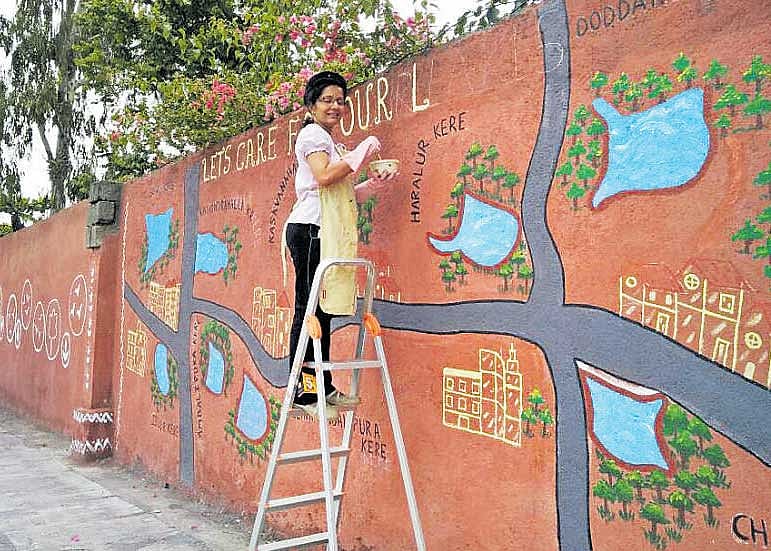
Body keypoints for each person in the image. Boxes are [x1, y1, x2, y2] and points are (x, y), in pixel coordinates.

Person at [283, 70, 394, 418]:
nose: (335, 106)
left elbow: (339, 191)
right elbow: (325, 176)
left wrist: (372, 183)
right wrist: (361, 151)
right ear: (311, 105)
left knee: (323, 311)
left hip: (322, 230)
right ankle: (303, 393)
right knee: (308, 311)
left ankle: (323, 388)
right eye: (327, 100)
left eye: (340, 101)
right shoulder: (311, 135)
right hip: (310, 230)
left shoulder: (327, 141)